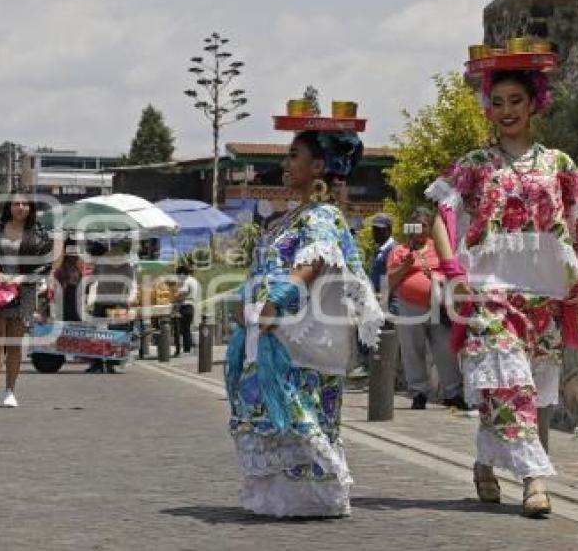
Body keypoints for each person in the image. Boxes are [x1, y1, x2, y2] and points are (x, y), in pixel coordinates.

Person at [426, 68, 578, 517]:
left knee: (508, 387)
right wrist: (451, 268)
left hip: (544, 294)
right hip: (487, 291)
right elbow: (441, 216)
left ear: (533, 104)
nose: (506, 111)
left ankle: (485, 463)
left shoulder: (559, 164)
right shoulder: (473, 164)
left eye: (515, 101)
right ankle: (535, 480)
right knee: (511, 383)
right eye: (497, 101)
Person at [224, 128, 384, 518]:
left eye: (293, 155)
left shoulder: (322, 215)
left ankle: (315, 496)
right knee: (267, 411)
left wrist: (279, 300)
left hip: (299, 335)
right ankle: (282, 498)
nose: (285, 163)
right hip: (269, 331)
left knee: (300, 411)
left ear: (318, 167)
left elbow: (314, 262)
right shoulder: (288, 218)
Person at [387, 207, 465, 410]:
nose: (417, 230)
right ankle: (419, 392)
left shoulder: (437, 247)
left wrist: (439, 278)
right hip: (409, 306)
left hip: (437, 305)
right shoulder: (400, 250)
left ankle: (453, 392)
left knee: (445, 348)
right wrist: (405, 266)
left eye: (422, 226)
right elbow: (390, 281)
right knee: (412, 349)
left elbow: (451, 268)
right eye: (414, 226)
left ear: (429, 228)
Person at [0, 191, 51, 409]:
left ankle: (10, 391)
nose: (20, 207)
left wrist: (23, 278)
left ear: (31, 208)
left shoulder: (39, 233)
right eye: (16, 204)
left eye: (25, 204)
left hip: (24, 292)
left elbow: (45, 264)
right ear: (8, 207)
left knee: (14, 343)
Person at [86, 239, 138, 374]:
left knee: (97, 334)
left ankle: (97, 363)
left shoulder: (102, 264)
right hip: (118, 304)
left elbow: (93, 279)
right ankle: (111, 363)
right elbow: (130, 285)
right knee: (116, 335)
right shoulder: (127, 267)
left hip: (101, 303)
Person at [173, 263, 199, 356]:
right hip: (191, 306)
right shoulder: (194, 280)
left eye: (179, 274)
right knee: (187, 328)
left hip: (185, 306)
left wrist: (175, 297)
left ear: (183, 273)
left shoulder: (186, 281)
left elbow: (182, 294)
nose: (178, 276)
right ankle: (188, 349)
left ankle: (185, 350)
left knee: (182, 330)